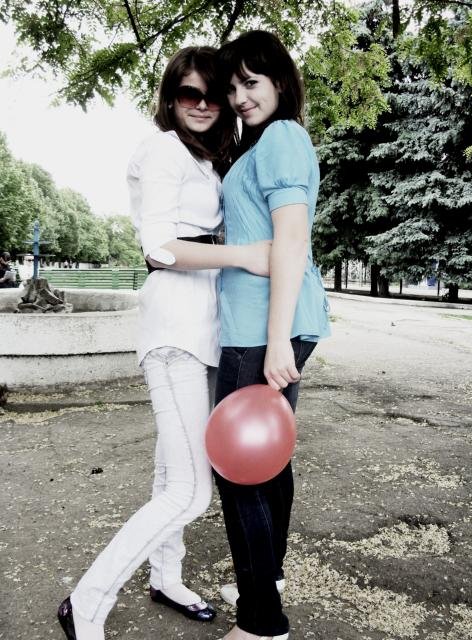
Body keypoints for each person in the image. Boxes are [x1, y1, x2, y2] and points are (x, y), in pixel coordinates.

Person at [57, 45, 270, 640]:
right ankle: (87, 602)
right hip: (175, 334)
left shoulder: (205, 159)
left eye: (212, 94)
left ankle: (166, 576)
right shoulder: (162, 149)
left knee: (168, 472)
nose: (201, 104)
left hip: (205, 335)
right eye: (187, 93)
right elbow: (158, 248)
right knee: (190, 491)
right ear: (170, 98)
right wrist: (244, 256)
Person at [213, 31, 331, 640]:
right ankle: (267, 581)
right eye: (232, 86)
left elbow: (290, 240)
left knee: (238, 471)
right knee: (267, 462)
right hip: (267, 324)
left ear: (281, 82)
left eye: (250, 82)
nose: (239, 96)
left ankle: (261, 623)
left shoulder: (282, 136)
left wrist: (278, 338)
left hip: (262, 328)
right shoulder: (264, 144)